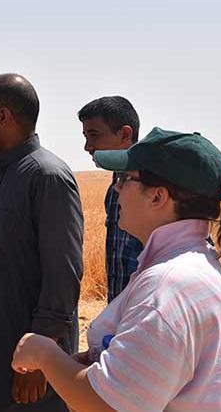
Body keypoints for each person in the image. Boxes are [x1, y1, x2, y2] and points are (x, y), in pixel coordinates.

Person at [11, 127, 221, 411]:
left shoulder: (168, 286)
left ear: (157, 198)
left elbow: (106, 405)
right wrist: (100, 357)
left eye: (125, 178)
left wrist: (44, 353)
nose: (116, 187)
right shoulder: (192, 262)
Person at [0, 74, 84, 411]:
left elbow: (63, 275)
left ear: (2, 117)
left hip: (27, 365)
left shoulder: (48, 176)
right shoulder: (3, 174)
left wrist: (39, 359)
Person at [78, 96, 143, 302]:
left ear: (125, 134)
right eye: (85, 136)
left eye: (94, 135)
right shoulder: (117, 182)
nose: (87, 146)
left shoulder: (151, 185)